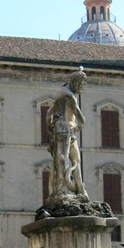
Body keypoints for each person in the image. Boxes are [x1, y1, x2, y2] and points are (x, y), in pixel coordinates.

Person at [47, 68, 88, 203]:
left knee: (73, 160)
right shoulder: (69, 95)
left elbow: (48, 113)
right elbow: (80, 117)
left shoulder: (60, 92)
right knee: (63, 161)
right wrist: (80, 125)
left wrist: (50, 126)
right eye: (81, 85)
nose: (81, 88)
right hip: (66, 130)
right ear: (76, 82)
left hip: (61, 129)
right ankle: (60, 191)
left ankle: (79, 190)